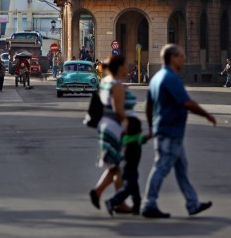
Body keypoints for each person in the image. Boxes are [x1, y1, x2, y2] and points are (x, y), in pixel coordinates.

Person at [142, 44, 216, 219]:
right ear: (172, 58)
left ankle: (193, 203)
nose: (184, 59)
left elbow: (148, 106)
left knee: (181, 168)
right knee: (161, 166)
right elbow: (187, 102)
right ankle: (149, 203)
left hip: (166, 129)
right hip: (170, 131)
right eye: (181, 56)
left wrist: (152, 126)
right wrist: (206, 115)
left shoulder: (156, 77)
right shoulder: (171, 78)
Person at [89, 56, 136, 213]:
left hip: (107, 126)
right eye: (125, 65)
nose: (127, 68)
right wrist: (129, 125)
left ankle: (117, 201)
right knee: (115, 165)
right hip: (114, 128)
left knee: (115, 166)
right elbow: (118, 110)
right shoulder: (115, 84)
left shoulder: (106, 81)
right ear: (119, 67)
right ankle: (98, 192)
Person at [104, 116, 145, 216]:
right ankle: (112, 201)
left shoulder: (126, 138)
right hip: (130, 169)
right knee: (129, 189)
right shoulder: (135, 139)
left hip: (126, 168)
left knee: (133, 189)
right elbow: (142, 138)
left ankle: (136, 208)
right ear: (138, 130)